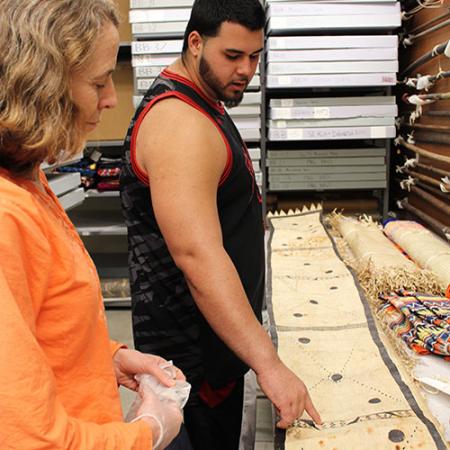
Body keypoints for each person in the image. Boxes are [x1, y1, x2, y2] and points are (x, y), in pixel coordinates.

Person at [120, 0, 322, 449]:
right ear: (195, 42)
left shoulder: (202, 102)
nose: (246, 70)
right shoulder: (179, 123)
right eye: (232, 55)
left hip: (214, 352)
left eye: (255, 56)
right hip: (194, 363)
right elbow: (198, 257)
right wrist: (269, 365)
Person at [0, 1, 184, 448]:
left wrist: (109, 360)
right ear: (43, 86)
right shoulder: (5, 218)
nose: (112, 99)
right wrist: (148, 432)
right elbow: (29, 439)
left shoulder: (29, 179)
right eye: (99, 82)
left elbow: (35, 336)